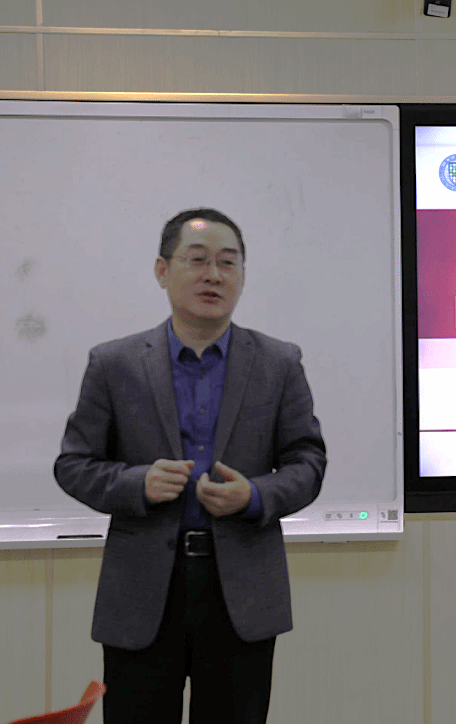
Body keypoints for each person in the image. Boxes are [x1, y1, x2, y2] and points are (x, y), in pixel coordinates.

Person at [54, 208, 327, 724]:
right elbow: (73, 465)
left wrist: (255, 496)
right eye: (197, 260)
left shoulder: (278, 363)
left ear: (242, 274)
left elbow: (308, 462)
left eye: (228, 262)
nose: (213, 275)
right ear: (162, 270)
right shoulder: (114, 363)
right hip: (142, 593)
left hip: (240, 594)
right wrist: (136, 483)